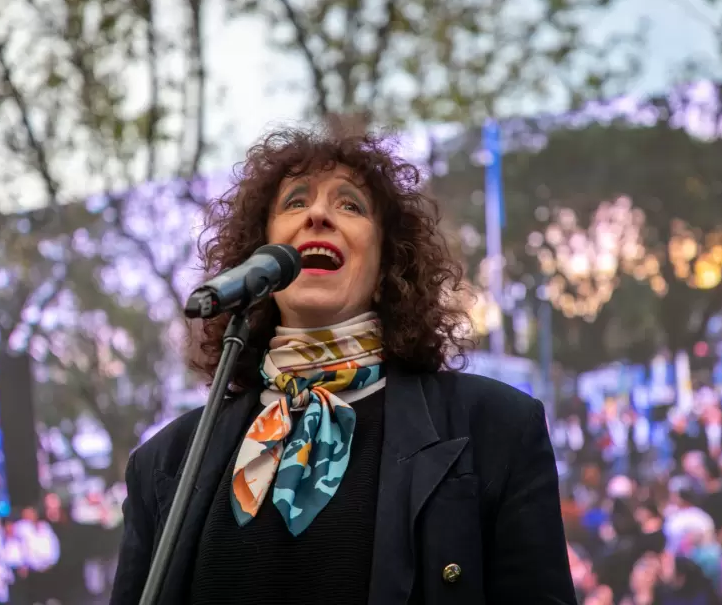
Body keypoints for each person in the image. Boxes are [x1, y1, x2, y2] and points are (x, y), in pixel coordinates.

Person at [109, 127, 576, 605]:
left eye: (349, 205)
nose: (317, 215)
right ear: (261, 257)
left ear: (386, 270)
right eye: (294, 202)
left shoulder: (496, 428)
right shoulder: (163, 467)